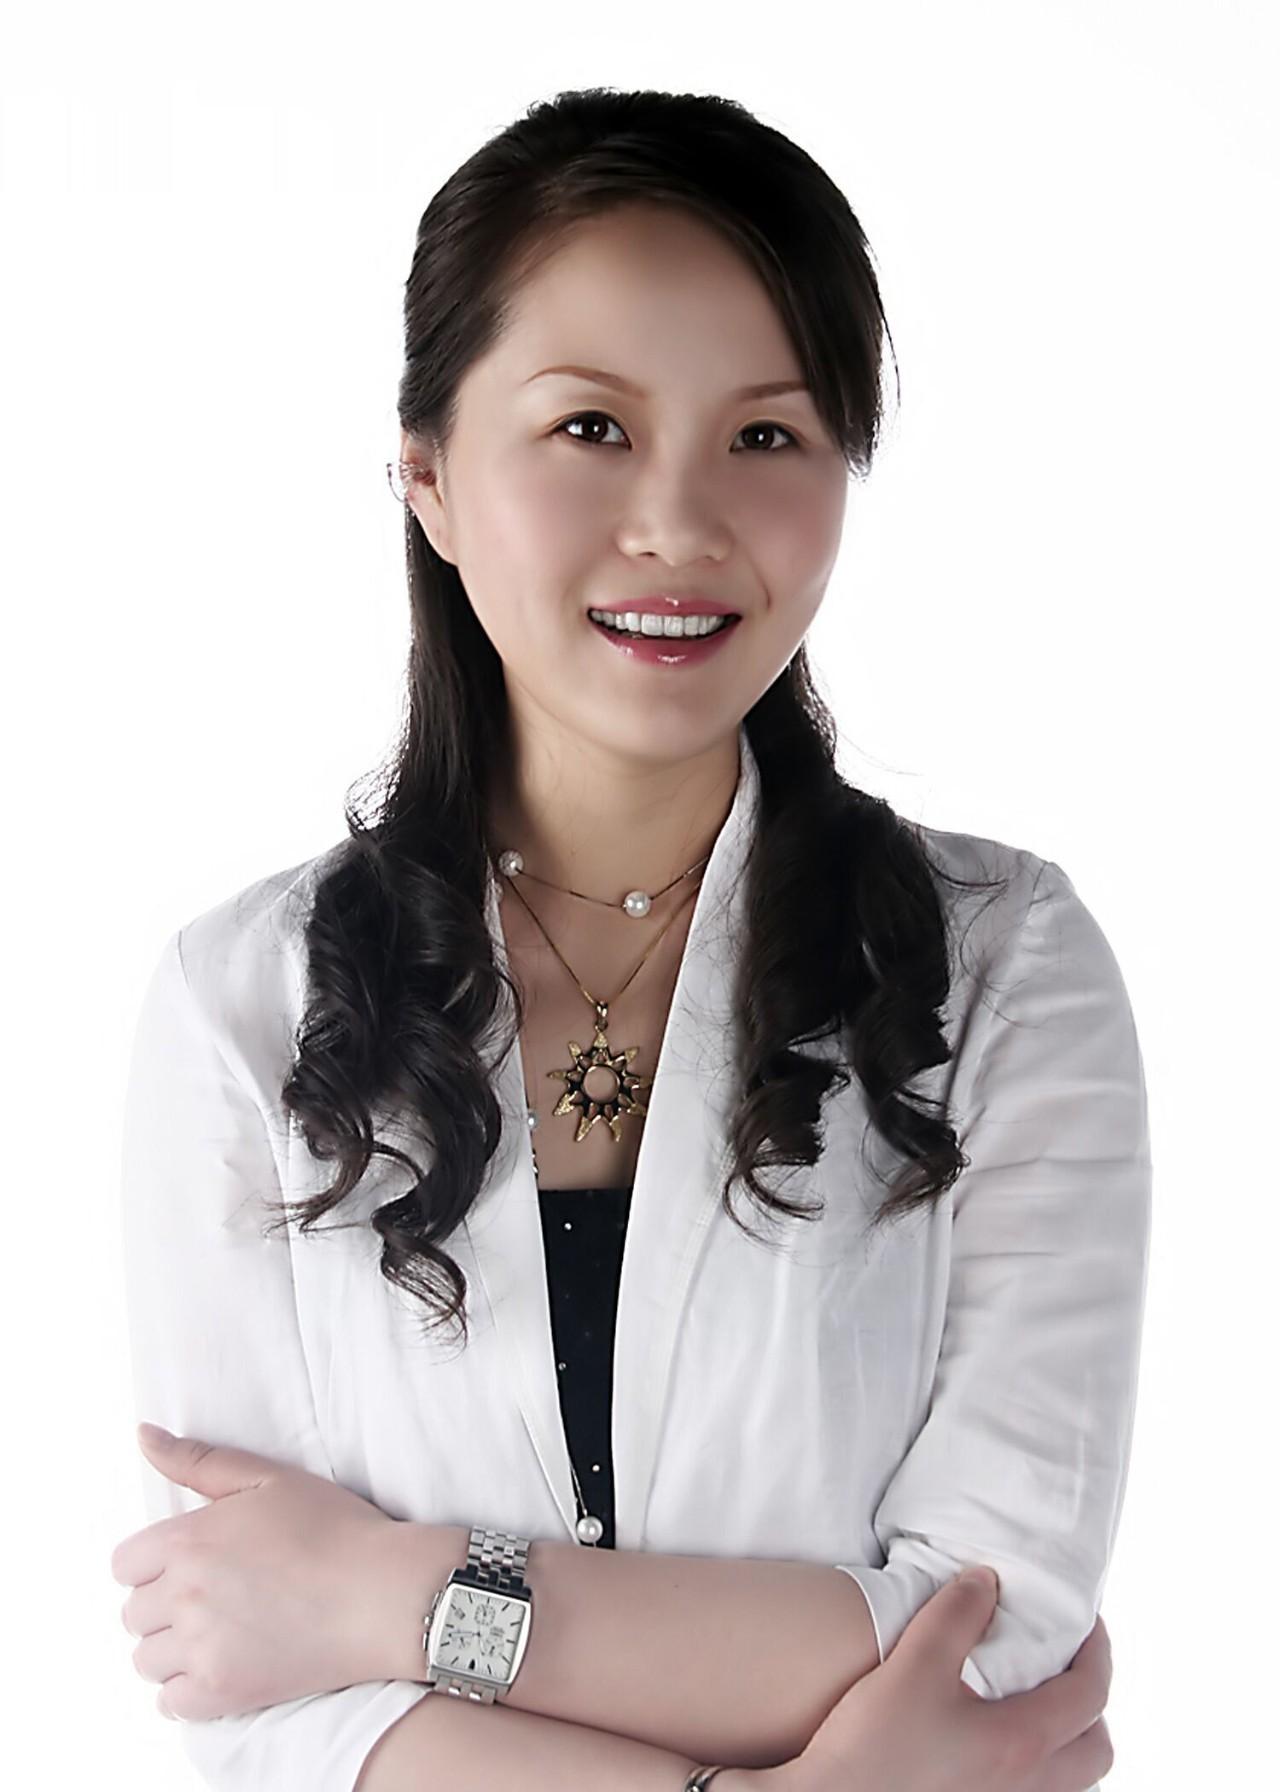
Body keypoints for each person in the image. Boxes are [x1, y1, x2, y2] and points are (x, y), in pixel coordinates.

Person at [114, 88, 1147, 1792]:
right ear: (429, 477)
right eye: (590, 426)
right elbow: (254, 1691)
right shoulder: (241, 1005)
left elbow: (991, 1629)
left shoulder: (1008, 970)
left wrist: (385, 1595)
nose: (679, 522)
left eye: (768, 437)